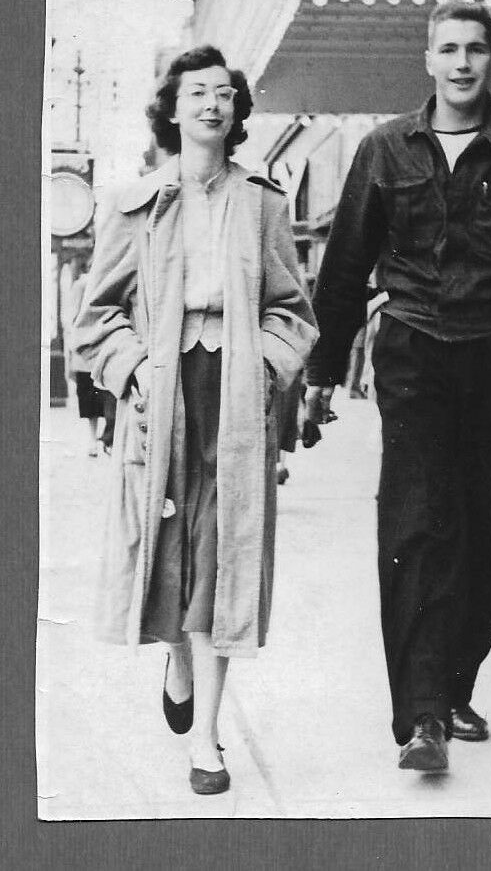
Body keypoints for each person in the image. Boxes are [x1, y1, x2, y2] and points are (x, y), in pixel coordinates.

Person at [304, 1, 491, 772]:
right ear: (426, 60)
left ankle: (455, 684)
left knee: (487, 531)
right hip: (414, 356)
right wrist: (323, 374)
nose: (461, 63)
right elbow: (341, 274)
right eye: (448, 49)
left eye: (474, 50)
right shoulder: (383, 150)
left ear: (490, 60)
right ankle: (422, 717)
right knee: (416, 530)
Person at [74, 46, 317, 795]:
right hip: (162, 390)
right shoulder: (134, 204)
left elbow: (293, 313)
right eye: (197, 93)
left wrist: (268, 367)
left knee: (222, 556)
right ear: (172, 111)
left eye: (224, 94)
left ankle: (206, 740)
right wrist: (133, 371)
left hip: (236, 396)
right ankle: (176, 658)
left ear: (238, 111)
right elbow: (96, 319)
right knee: (169, 548)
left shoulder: (264, 203)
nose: (211, 104)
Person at [68, 264, 109, 456]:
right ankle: (95, 439)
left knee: (98, 396)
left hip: (99, 349)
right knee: (92, 397)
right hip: (88, 350)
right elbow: (74, 316)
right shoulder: (82, 285)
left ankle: (99, 438)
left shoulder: (101, 281)